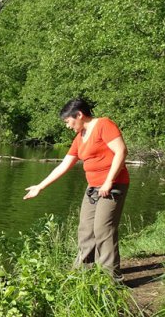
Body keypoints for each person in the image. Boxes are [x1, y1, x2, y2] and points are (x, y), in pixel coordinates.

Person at [24, 98, 129, 279]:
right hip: (94, 188)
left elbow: (121, 151)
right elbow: (64, 165)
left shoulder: (104, 124)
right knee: (86, 230)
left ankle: (110, 279)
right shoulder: (80, 137)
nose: (67, 126)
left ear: (79, 114)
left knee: (103, 230)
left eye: (68, 121)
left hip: (112, 185)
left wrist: (109, 182)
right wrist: (40, 186)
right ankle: (82, 275)